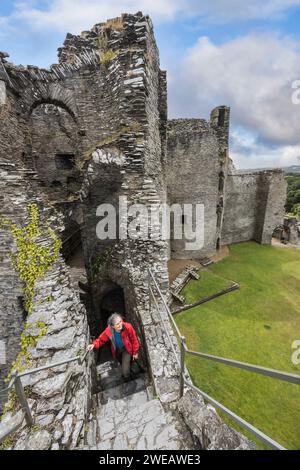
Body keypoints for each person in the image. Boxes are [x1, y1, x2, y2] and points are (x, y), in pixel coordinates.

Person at [87, 313, 140, 381]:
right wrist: (93, 344)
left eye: (121, 321)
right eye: (117, 324)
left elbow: (134, 339)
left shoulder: (127, 327)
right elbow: (101, 339)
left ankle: (127, 379)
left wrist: (135, 352)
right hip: (117, 350)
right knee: (122, 362)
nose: (120, 324)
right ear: (112, 326)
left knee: (125, 370)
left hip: (127, 349)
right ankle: (129, 372)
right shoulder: (109, 331)